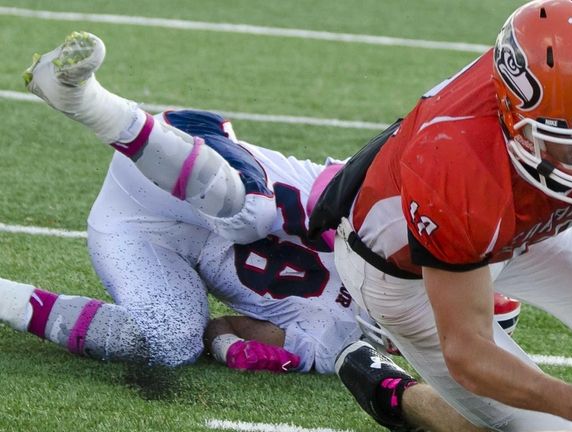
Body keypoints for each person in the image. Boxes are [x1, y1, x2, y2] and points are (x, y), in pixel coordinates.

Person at [1, 30, 515, 431]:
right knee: (255, 216)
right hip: (186, 156)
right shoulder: (387, 223)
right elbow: (337, 193)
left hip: (139, 229)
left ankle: (6, 299)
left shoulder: (340, 341)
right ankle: (88, 101)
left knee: (168, 340)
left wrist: (244, 347)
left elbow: (222, 332)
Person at [310, 1, 572, 431]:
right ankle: (395, 393)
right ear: (514, 121)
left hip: (519, 224)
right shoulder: (456, 160)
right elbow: (468, 351)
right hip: (409, 272)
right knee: (554, 428)